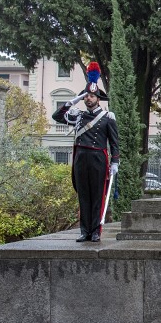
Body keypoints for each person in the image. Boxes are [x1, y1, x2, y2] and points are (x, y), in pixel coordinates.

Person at [52, 62, 119, 243]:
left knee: (97, 195)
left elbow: (114, 142)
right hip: (80, 158)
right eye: (86, 96)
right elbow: (57, 116)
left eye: (92, 96)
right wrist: (71, 102)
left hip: (98, 158)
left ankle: (96, 231)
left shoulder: (107, 118)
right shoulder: (78, 116)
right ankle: (84, 231)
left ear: (98, 99)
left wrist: (115, 163)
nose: (89, 99)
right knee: (83, 195)